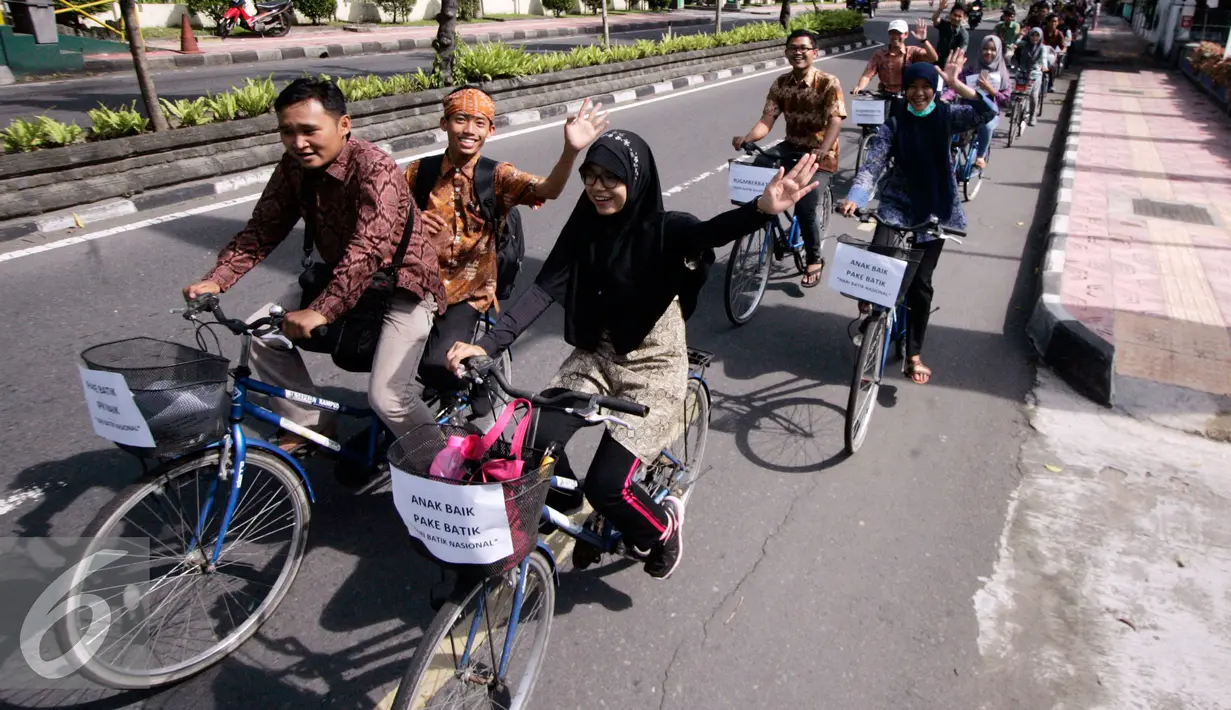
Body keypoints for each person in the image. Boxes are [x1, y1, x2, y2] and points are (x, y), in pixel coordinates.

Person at [446, 131, 823, 578]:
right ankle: (566, 498)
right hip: (597, 357)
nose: (598, 188)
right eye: (591, 177)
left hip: (653, 366)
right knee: (529, 441)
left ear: (637, 180)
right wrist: (486, 346)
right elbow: (545, 287)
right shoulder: (585, 224)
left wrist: (760, 210)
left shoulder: (667, 230)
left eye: (612, 178)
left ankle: (661, 529)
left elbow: (708, 232)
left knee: (610, 487)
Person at [182, 78, 444, 455]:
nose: (298, 143)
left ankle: (442, 467)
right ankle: (311, 425)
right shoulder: (293, 167)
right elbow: (263, 228)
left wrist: (322, 309)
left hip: (403, 284)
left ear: (344, 125)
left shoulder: (376, 168)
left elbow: (369, 247)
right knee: (262, 335)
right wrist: (216, 280)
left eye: (309, 131)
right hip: (340, 276)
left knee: (388, 398)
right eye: (287, 132)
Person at [404, 88, 609, 400]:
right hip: (418, 286)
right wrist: (414, 222)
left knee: (438, 366)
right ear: (444, 123)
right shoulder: (419, 172)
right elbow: (388, 218)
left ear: (491, 130)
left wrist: (571, 150)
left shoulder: (496, 176)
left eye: (479, 122)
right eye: (460, 120)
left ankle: (478, 389)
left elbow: (549, 189)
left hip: (467, 294)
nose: (469, 130)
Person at [838, 55, 995, 385]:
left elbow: (987, 113)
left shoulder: (947, 115)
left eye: (926, 87)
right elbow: (872, 165)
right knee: (878, 263)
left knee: (920, 284)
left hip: (935, 209)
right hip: (897, 203)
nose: (919, 93)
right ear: (905, 90)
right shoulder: (894, 123)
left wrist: (956, 85)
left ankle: (913, 353)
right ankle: (873, 320)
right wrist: (856, 196)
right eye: (913, 87)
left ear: (935, 90)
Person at [733, 29, 846, 289]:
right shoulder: (780, 84)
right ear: (786, 52)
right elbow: (767, 119)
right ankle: (764, 218)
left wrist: (823, 149)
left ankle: (814, 258)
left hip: (820, 154)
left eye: (804, 48)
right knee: (759, 169)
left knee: (806, 208)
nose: (798, 52)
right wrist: (748, 138)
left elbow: (835, 121)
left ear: (814, 53)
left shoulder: (828, 83)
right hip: (791, 147)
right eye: (793, 47)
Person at [945, 35, 1011, 169]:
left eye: (993, 49)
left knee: (986, 126)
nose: (988, 52)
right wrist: (945, 98)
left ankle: (980, 156)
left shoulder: (1003, 74)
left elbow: (1006, 101)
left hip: (990, 113)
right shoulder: (971, 69)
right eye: (985, 49)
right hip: (968, 109)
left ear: (998, 51)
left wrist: (991, 89)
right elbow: (956, 86)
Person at [852, 19, 939, 95]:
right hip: (885, 94)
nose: (895, 37)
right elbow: (867, 74)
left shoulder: (912, 52)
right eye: (892, 33)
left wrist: (924, 40)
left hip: (907, 95)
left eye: (898, 33)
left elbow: (933, 58)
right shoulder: (880, 54)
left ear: (906, 34)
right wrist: (860, 87)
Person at [1015, 27, 1050, 124]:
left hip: (1035, 72)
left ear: (1040, 37)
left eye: (1037, 36)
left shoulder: (1043, 48)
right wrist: (1021, 35)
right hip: (1022, 70)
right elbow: (1017, 42)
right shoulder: (1025, 44)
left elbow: (1044, 58)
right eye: (1032, 35)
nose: (1034, 38)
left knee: (1033, 96)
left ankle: (1032, 116)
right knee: (1017, 92)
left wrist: (1044, 66)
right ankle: (1014, 109)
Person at [932, 0, 970, 66]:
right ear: (950, 14)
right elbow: (934, 19)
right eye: (954, 15)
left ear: (964, 18)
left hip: (952, 64)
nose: (956, 18)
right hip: (938, 62)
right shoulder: (944, 25)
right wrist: (940, 8)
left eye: (959, 16)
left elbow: (962, 51)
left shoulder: (964, 34)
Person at [1042, 12, 1070, 91]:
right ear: (1047, 22)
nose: (1053, 23)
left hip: (1052, 54)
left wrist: (1061, 52)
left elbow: (1064, 46)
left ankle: (1051, 84)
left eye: (1055, 21)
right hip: (1041, 53)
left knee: (1052, 65)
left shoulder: (1059, 33)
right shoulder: (1041, 31)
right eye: (1052, 21)